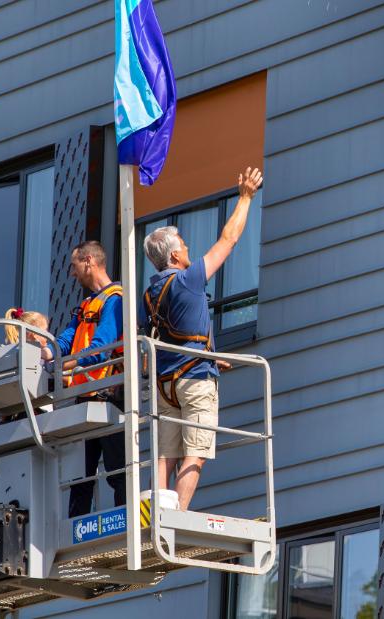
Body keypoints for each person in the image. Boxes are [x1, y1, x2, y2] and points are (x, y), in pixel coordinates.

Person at [143, 166, 263, 511]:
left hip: (165, 383)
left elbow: (154, 338)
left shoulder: (150, 292)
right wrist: (244, 197)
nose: (188, 248)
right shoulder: (188, 280)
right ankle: (177, 517)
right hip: (194, 380)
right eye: (183, 244)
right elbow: (229, 240)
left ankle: (156, 517)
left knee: (165, 455)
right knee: (194, 453)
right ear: (175, 256)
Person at [54, 241, 126, 517]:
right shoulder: (86, 305)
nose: (72, 274)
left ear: (88, 262)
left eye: (74, 266)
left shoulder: (115, 301)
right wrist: (45, 353)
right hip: (85, 400)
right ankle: (75, 526)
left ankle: (124, 522)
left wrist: (68, 364)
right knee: (79, 477)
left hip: (109, 399)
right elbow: (65, 339)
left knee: (118, 471)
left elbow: (101, 346)